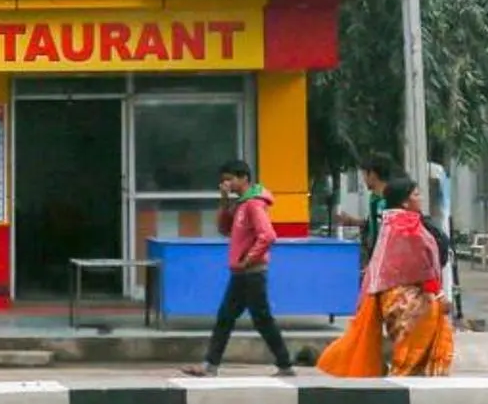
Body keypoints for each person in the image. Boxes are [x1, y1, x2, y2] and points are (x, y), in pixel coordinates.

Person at [318, 176, 455, 378]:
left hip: (390, 299)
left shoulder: (390, 224)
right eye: (416, 194)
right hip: (409, 300)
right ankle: (404, 381)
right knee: (415, 347)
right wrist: (438, 294)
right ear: (405, 202)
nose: (421, 198)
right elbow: (421, 265)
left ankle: (403, 380)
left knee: (407, 348)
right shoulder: (407, 226)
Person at [183, 159, 292, 377]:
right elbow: (225, 229)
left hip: (252, 273)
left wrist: (248, 259)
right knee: (226, 316)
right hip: (241, 273)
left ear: (243, 178)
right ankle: (210, 365)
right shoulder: (241, 204)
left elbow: (268, 236)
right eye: (224, 181)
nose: (227, 184)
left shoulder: (253, 204)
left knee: (261, 319)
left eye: (230, 179)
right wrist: (224, 201)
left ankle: (285, 364)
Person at [356, 155, 395, 268]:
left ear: (372, 174)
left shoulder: (387, 202)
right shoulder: (374, 199)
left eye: (364, 174)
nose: (364, 180)